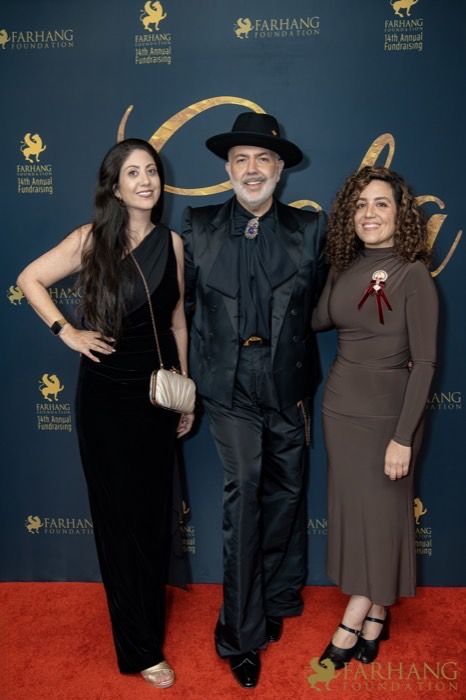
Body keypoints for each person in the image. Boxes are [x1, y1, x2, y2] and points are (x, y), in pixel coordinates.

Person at [17, 138, 194, 689]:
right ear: (114, 186)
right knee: (120, 525)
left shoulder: (173, 243)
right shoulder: (90, 240)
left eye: (152, 171)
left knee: (154, 519)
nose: (145, 180)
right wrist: (67, 331)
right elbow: (29, 279)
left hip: (157, 398)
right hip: (106, 400)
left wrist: (185, 389)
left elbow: (178, 321)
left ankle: (147, 622)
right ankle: (141, 648)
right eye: (133, 172)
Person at [182, 112, 327, 688]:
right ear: (227, 169)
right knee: (245, 491)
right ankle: (239, 634)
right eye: (240, 159)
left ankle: (273, 598)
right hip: (228, 383)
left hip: (288, 380)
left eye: (263, 159)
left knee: (285, 493)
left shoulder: (310, 229)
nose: (251, 169)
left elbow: (327, 301)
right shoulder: (198, 226)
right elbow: (180, 309)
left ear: (280, 169)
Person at [312, 166, 438, 669]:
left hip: (390, 419)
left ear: (400, 214)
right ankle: (378, 611)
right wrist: (325, 270)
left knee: (383, 517)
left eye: (381, 203)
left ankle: (353, 617)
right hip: (340, 410)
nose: (369, 214)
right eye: (360, 204)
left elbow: (425, 364)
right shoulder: (345, 267)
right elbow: (320, 319)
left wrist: (403, 437)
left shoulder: (413, 275)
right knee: (358, 516)